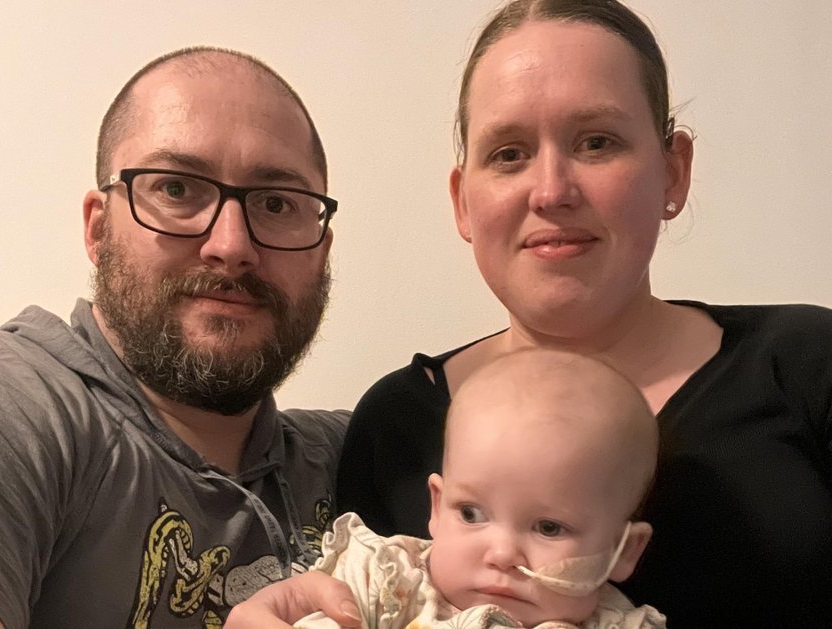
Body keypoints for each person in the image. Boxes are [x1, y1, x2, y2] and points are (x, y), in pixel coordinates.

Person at [335, 1, 832, 627]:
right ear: (464, 202)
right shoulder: (396, 425)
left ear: (673, 171)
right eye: (509, 153)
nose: (551, 191)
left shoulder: (806, 364)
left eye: (597, 142)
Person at [0, 47, 352, 628]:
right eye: (178, 191)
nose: (232, 245)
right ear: (98, 227)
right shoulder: (20, 413)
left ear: (322, 251)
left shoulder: (367, 453)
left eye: (277, 203)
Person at [295, 349, 665, 629]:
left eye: (549, 527)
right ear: (437, 508)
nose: (502, 555)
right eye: (471, 514)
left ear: (623, 551)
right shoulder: (384, 580)